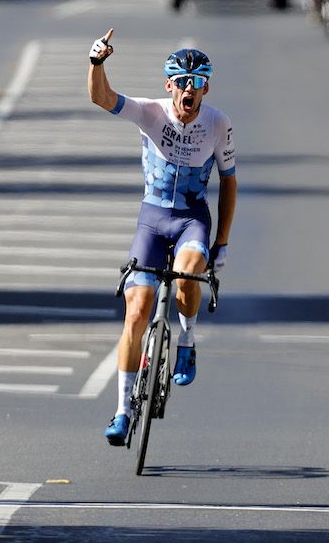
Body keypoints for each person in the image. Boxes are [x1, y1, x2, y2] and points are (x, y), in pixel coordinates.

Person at [87, 29, 237, 446]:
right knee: (135, 313)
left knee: (189, 275)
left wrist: (221, 242)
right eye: (182, 82)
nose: (190, 90)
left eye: (199, 82)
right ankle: (120, 410)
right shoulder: (150, 112)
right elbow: (102, 98)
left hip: (192, 219)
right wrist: (97, 63)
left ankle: (187, 340)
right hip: (152, 221)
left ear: (207, 86)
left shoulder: (217, 123)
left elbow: (228, 183)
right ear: (168, 85)